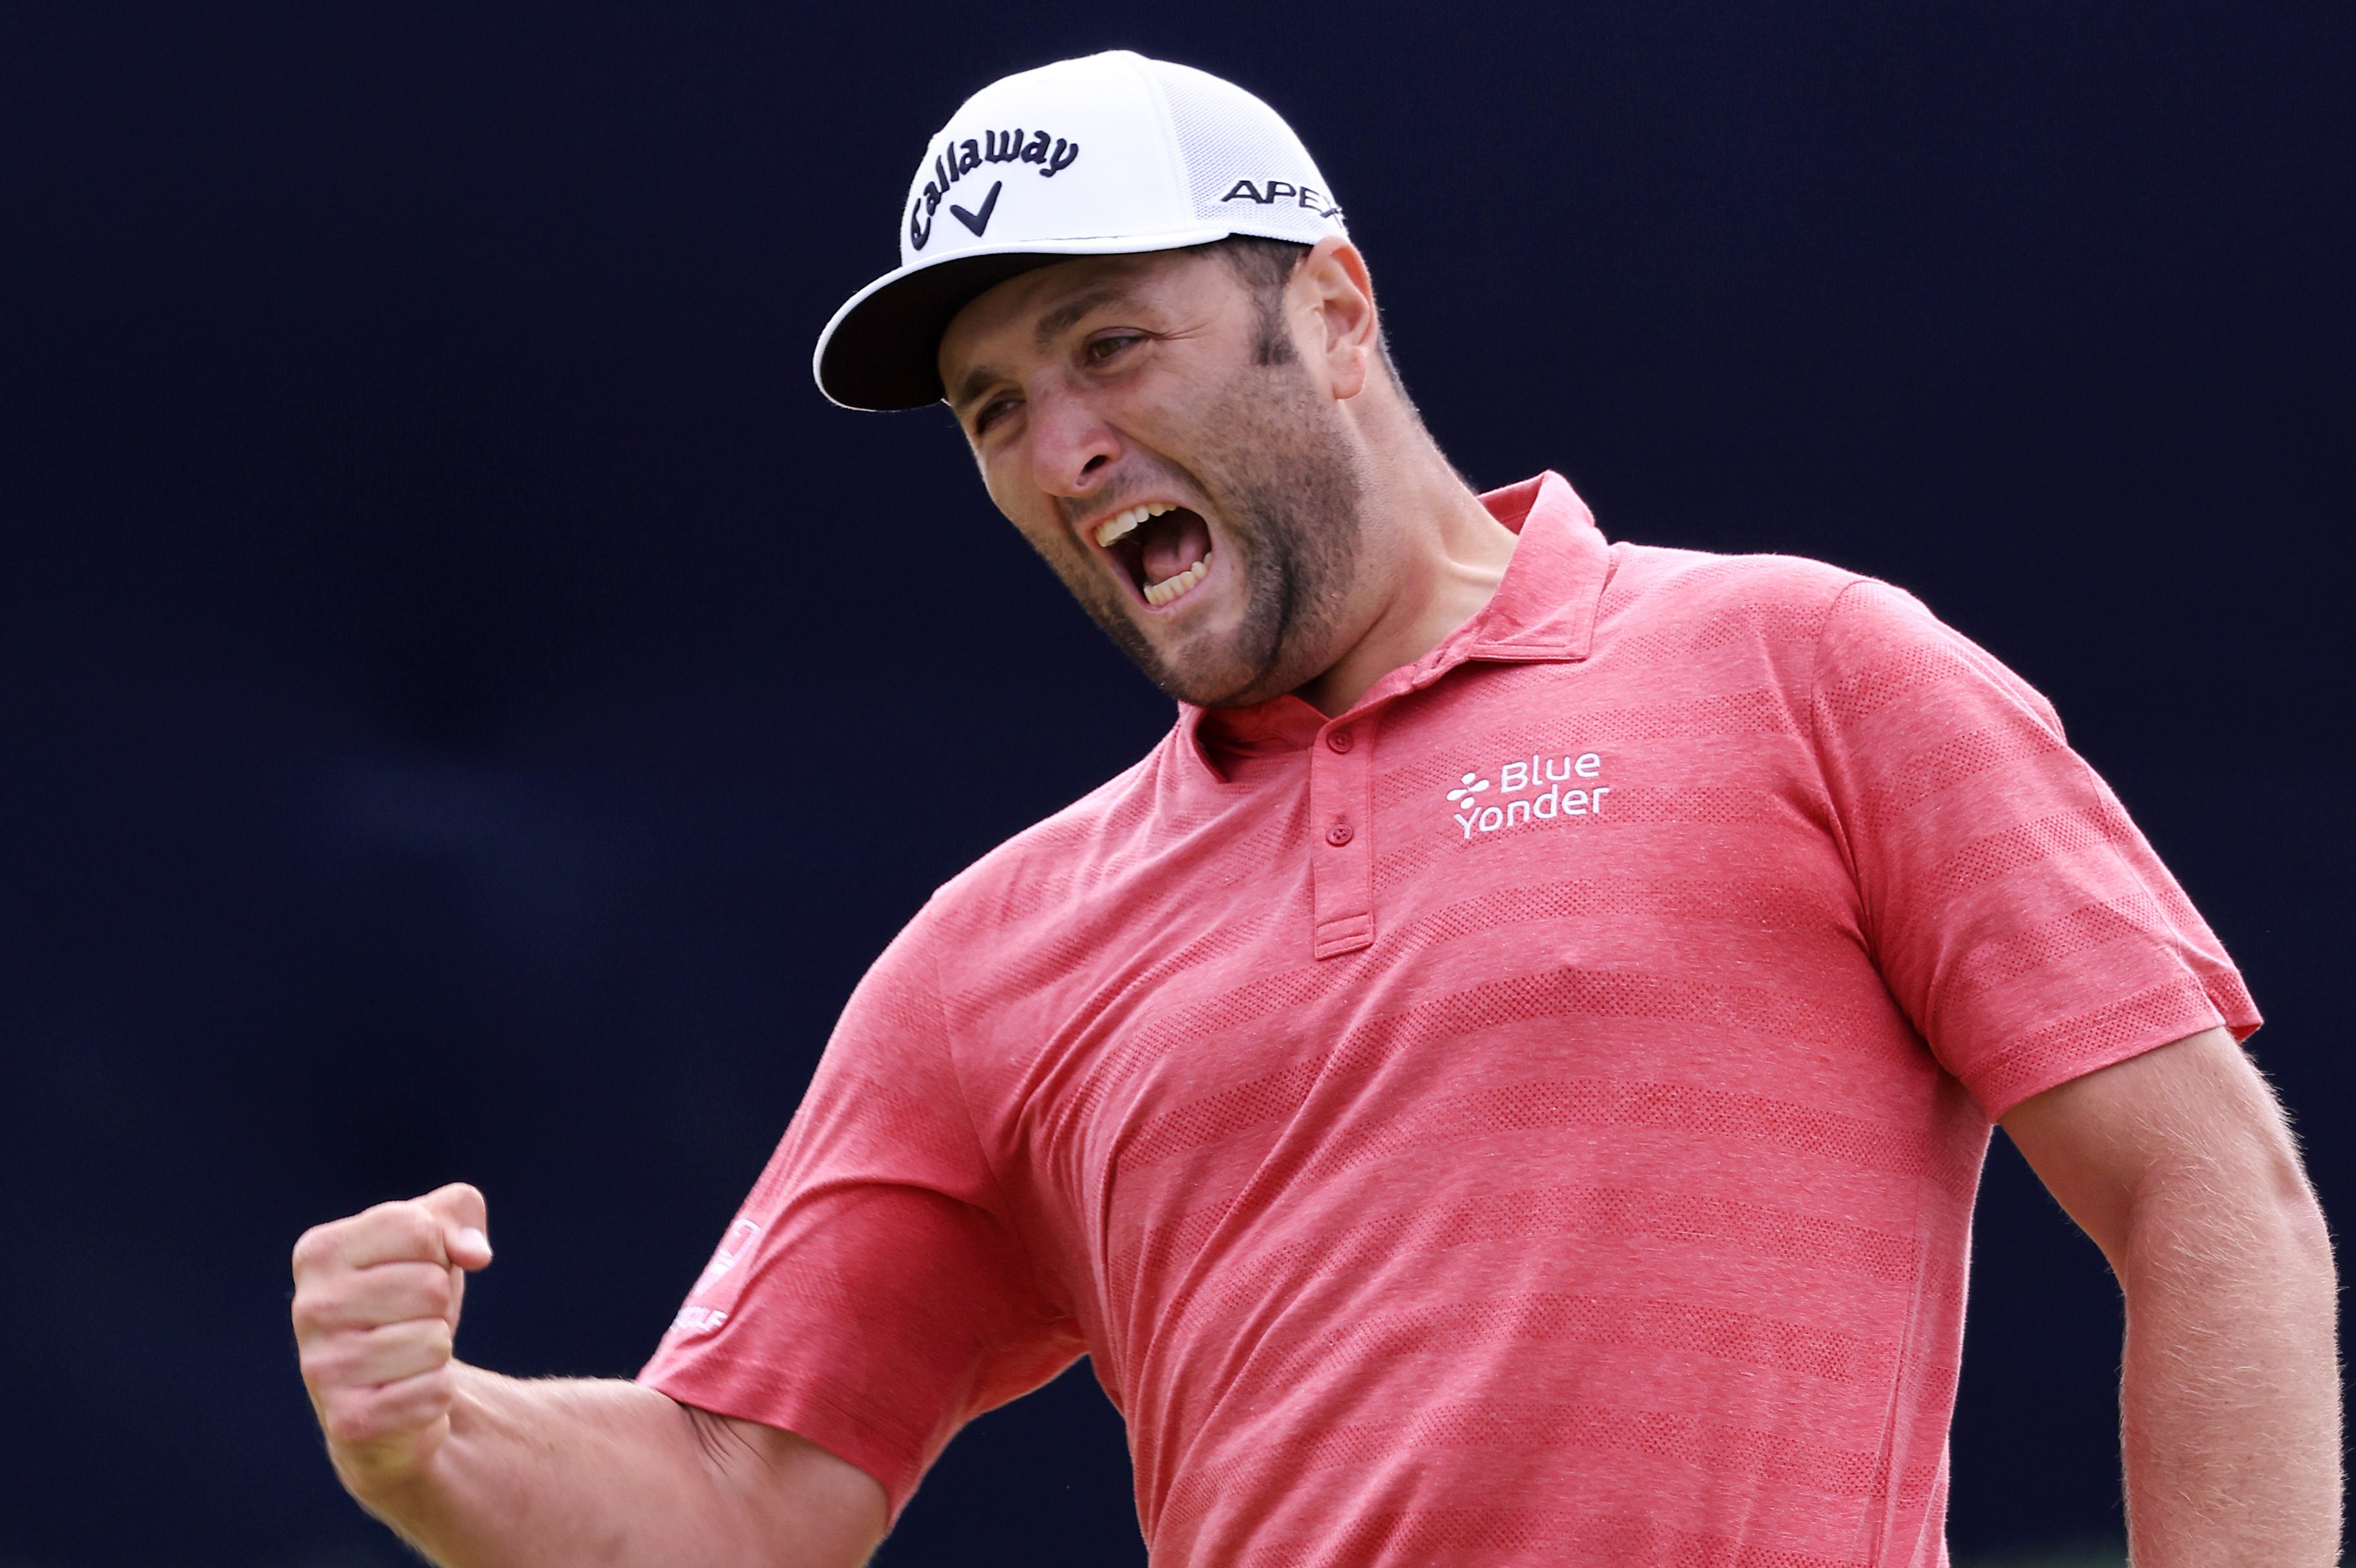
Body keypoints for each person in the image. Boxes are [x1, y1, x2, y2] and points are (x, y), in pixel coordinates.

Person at [289, 51, 2339, 1567]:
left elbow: (2206, 1196)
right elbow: (741, 1501)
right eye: (997, 408)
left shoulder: (1811, 672)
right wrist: (430, 1445)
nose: (1065, 448)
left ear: (1335, 313)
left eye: (1113, 345)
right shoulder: (995, 954)